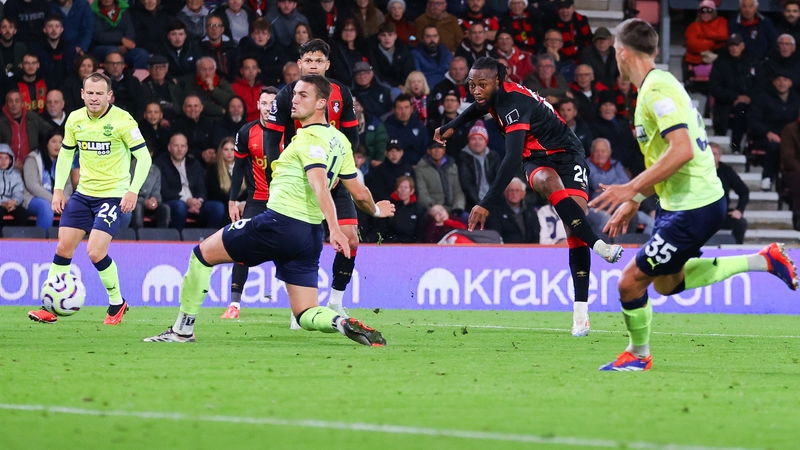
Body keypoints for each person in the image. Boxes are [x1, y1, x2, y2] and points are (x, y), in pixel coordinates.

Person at [588, 19, 798, 372]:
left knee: (629, 282)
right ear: (654, 49)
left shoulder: (656, 92)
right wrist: (634, 201)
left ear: (622, 53)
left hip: (693, 206)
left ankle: (638, 356)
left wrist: (632, 187)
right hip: (683, 204)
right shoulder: (661, 85)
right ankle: (766, 259)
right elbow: (665, 160)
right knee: (669, 282)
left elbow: (682, 150)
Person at [143, 75, 393, 345]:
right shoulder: (340, 141)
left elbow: (319, 184)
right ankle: (339, 322)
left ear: (322, 103)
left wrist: (335, 228)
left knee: (201, 255)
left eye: (303, 95)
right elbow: (359, 192)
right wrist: (376, 212)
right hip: (308, 236)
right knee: (306, 312)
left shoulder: (309, 139)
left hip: (278, 223)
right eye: (294, 93)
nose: (294, 99)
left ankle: (182, 330)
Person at [434, 56, 623, 338]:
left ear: (497, 82)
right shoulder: (497, 95)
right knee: (547, 182)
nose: (475, 90)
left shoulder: (513, 105)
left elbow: (510, 159)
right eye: (472, 84)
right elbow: (478, 108)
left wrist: (485, 203)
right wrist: (455, 123)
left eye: (482, 84)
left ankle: (580, 314)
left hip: (569, 155)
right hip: (536, 160)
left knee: (574, 228)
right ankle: (599, 245)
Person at [28, 71, 153, 325]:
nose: (94, 98)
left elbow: (144, 158)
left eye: (100, 94)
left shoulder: (122, 120)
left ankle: (117, 302)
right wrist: (59, 189)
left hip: (113, 195)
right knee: (63, 246)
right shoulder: (75, 119)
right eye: (90, 93)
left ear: (109, 95)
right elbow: (65, 155)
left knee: (95, 252)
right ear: (82, 94)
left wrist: (132, 190)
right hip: (84, 194)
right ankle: (50, 306)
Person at [265, 39, 361, 325]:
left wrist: (339, 169)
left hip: (332, 177)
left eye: (319, 61)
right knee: (300, 244)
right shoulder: (287, 95)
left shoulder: (341, 92)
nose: (313, 65)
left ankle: (335, 301)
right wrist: (278, 172)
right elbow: (272, 139)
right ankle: (300, 308)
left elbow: (352, 136)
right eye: (308, 61)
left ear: (327, 65)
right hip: (299, 182)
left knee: (351, 238)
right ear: (300, 64)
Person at [219, 87, 276, 319]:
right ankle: (235, 305)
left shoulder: (292, 131)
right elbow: (239, 169)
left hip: (287, 201)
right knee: (241, 248)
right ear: (259, 106)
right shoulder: (246, 132)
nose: (268, 108)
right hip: (258, 200)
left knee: (293, 250)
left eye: (273, 103)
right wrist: (233, 200)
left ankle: (299, 310)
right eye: (263, 103)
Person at [154, 133, 225, 230]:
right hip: (174, 202)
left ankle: (209, 240)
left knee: (218, 207)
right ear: (169, 147)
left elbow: (202, 187)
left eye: (183, 146)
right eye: (176, 146)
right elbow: (163, 190)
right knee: (180, 206)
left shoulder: (194, 163)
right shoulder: (160, 164)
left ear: (186, 148)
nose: (180, 149)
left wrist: (199, 201)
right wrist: (186, 200)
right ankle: (177, 241)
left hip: (195, 202)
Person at [747, 72, 800, 191]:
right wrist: (767, 133)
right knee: (774, 146)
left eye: (785, 79)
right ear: (774, 82)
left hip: (790, 139)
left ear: (790, 83)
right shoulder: (762, 97)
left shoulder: (796, 100)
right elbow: (753, 121)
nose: (782, 83)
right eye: (779, 80)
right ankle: (767, 178)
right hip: (766, 137)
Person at [23, 129, 74, 233]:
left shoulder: (63, 160)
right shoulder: (33, 158)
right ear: (46, 143)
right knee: (46, 207)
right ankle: (43, 244)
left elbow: (68, 184)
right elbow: (32, 185)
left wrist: (64, 199)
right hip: (33, 198)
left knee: (76, 205)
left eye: (60, 142)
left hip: (58, 200)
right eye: (53, 141)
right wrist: (54, 199)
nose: (57, 145)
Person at [0, 90, 53, 171]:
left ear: (22, 103)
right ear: (6, 104)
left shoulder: (32, 117)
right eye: (10, 101)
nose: (14, 104)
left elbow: (50, 133)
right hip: (5, 166)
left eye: (17, 101)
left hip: (31, 164)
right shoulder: (1, 121)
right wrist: (11, 163)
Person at [364, 175, 426, 243]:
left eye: (406, 187)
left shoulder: (418, 209)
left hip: (410, 245)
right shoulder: (389, 206)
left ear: (411, 191)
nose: (403, 190)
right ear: (396, 190)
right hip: (390, 243)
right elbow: (381, 228)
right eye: (400, 187)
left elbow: (420, 233)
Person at [90, 0, 148, 69]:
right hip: (101, 48)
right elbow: (98, 36)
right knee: (114, 51)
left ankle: (135, 79)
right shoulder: (93, 12)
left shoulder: (123, 9)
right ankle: (113, 79)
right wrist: (121, 39)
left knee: (141, 54)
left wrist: (126, 46)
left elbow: (130, 31)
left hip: (124, 48)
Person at [710, 142, 749, 244]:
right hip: (701, 214)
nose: (710, 157)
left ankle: (737, 251)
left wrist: (739, 210)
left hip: (721, 214)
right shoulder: (696, 171)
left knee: (741, 223)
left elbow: (744, 191)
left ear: (719, 156)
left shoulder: (726, 171)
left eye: (713, 154)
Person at [458, 120, 500, 211]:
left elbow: (498, 181)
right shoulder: (463, 157)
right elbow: (467, 185)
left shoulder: (493, 156)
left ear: (486, 141)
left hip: (494, 203)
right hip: (472, 204)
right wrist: (481, 205)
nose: (477, 142)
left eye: (480, 139)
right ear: (469, 141)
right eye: (473, 139)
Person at [486, 177, 540, 243]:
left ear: (523, 194)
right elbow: (496, 236)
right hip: (507, 250)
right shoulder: (495, 212)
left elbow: (536, 235)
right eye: (511, 190)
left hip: (529, 250)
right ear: (505, 193)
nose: (514, 193)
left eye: (517, 190)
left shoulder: (530, 211)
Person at [367, 21, 415, 93]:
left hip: (404, 85)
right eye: (383, 35)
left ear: (395, 36)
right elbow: (377, 75)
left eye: (390, 35)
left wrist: (405, 86)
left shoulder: (403, 50)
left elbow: (409, 70)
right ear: (379, 37)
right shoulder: (372, 52)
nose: (387, 38)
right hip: (383, 86)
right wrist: (397, 85)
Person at [32, 15, 77, 91]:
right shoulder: (37, 49)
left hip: (66, 88)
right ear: (44, 30)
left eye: (57, 26)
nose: (54, 30)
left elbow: (73, 72)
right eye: (50, 26)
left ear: (62, 29)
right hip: (43, 88)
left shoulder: (69, 48)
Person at [130, 148, 169, 229]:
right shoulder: (129, 167)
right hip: (135, 202)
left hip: (151, 203)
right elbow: (129, 190)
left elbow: (157, 190)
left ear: (151, 153)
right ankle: (138, 238)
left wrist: (155, 200)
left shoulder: (155, 170)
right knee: (137, 207)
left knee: (165, 209)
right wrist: (144, 201)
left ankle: (162, 238)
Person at [385, 94, 429, 164]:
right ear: (394, 110)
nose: (403, 112)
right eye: (400, 108)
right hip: (393, 167)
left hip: (417, 168)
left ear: (411, 109)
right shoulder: (386, 127)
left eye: (406, 108)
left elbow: (425, 150)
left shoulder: (419, 127)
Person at [200, 14, 240, 83]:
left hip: (229, 85)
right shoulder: (200, 48)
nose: (214, 29)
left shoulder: (232, 48)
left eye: (217, 26)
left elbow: (236, 70)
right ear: (206, 30)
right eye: (210, 26)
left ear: (222, 29)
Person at [0, 143, 28, 230]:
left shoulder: (16, 175)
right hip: (1, 204)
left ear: (11, 160)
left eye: (6, 158)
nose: (3, 161)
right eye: (0, 158)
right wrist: (2, 203)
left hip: (11, 204)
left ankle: (17, 238)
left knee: (22, 212)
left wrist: (14, 201)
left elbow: (19, 191)